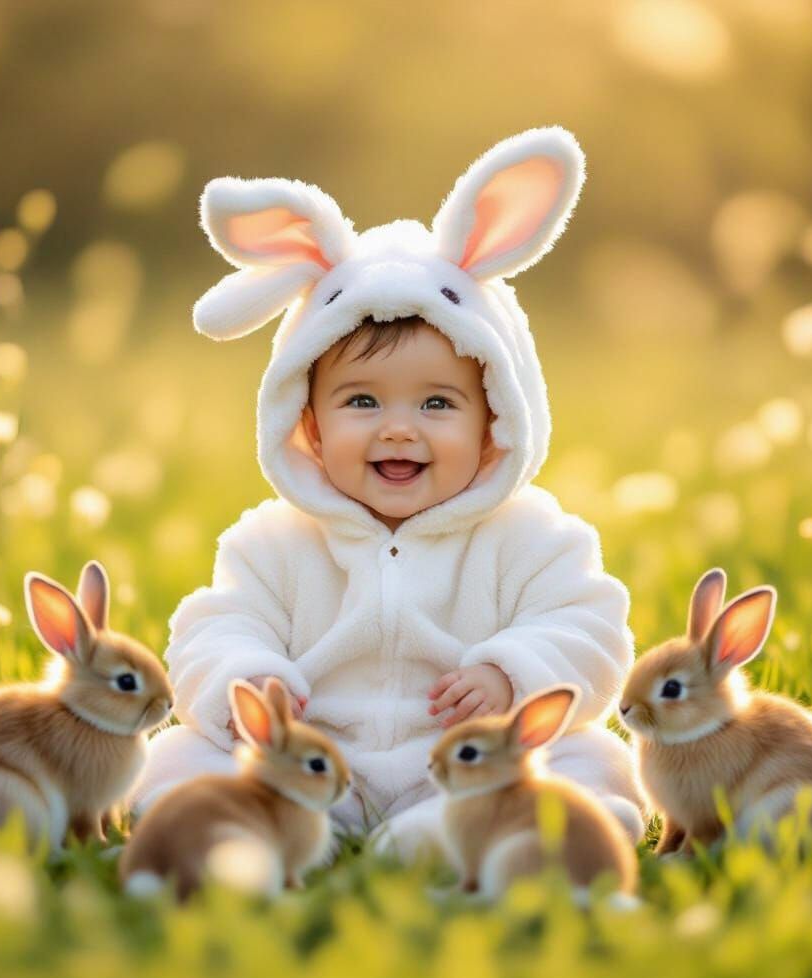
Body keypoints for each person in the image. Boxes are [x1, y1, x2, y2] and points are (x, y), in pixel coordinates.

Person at [130, 127, 648, 858]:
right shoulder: (272, 543)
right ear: (305, 422)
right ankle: (227, 830)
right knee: (179, 756)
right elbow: (212, 630)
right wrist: (250, 680)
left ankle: (467, 836)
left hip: (471, 773)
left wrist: (513, 671)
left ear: (497, 420)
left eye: (437, 405)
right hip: (310, 769)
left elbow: (592, 631)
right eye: (362, 403)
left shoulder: (532, 537)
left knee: (592, 758)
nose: (398, 431)